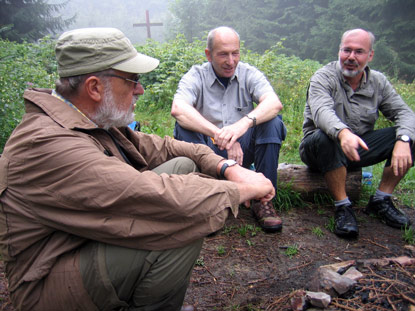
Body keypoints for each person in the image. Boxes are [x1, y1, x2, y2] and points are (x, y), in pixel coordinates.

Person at [0, 28, 276, 311]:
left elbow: (164, 148)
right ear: (94, 88)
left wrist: (226, 166)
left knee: (181, 166)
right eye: (132, 80)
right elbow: (151, 194)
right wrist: (241, 190)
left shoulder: (85, 119)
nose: (140, 89)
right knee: (179, 225)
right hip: (48, 283)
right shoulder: (47, 143)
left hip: (79, 244)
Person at [300, 28, 415, 239]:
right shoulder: (323, 77)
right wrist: (343, 133)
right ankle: (343, 206)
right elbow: (322, 113)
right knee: (327, 135)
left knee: (409, 134)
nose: (351, 57)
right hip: (318, 149)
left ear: (370, 55)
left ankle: (381, 199)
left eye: (359, 52)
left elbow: (404, 113)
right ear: (339, 51)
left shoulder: (378, 82)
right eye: (347, 50)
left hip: (357, 149)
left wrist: (403, 140)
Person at [171, 26, 286, 233]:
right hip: (207, 152)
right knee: (183, 126)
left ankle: (263, 198)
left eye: (235, 53)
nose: (231, 61)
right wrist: (219, 134)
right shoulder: (195, 76)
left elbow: (274, 103)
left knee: (272, 121)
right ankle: (204, 201)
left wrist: (241, 126)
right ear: (208, 54)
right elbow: (179, 109)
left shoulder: (249, 74)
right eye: (223, 54)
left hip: (241, 151)